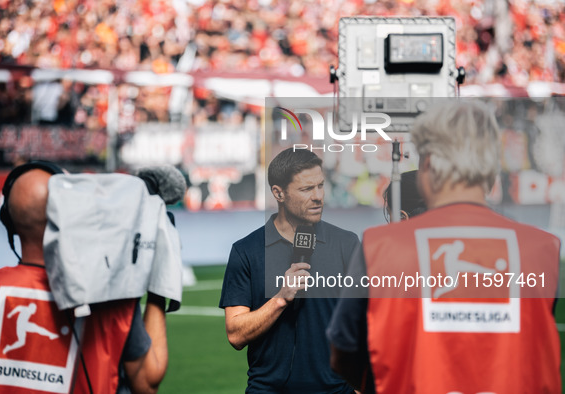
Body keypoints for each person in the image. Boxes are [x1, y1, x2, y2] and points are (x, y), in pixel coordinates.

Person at [327, 100, 561, 393]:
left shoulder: (379, 248)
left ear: (427, 165)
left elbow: (344, 353)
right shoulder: (542, 249)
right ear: (491, 168)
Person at [0, 161, 168, 394]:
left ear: (11, 223)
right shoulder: (114, 297)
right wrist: (159, 286)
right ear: (69, 217)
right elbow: (147, 384)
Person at [219, 149, 360, 393]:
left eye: (321, 186)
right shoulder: (246, 251)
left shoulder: (346, 244)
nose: (318, 197)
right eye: (306, 189)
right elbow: (236, 335)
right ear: (278, 193)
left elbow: (366, 322)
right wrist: (280, 299)